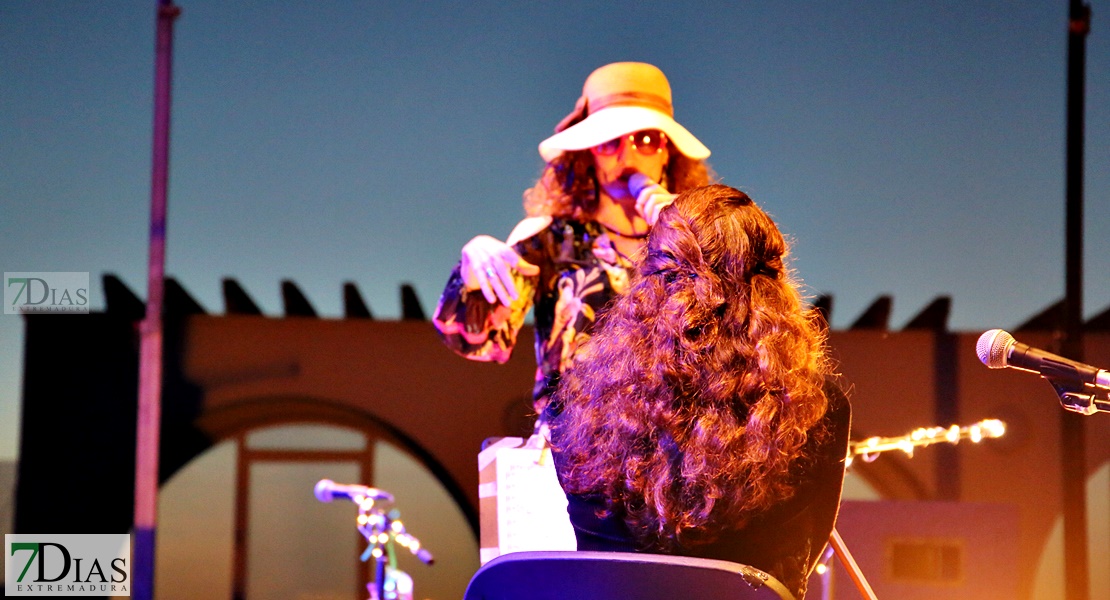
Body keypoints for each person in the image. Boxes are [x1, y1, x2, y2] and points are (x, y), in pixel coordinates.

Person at [549, 184, 851, 599]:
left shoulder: (575, 401)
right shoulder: (817, 406)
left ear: (651, 273)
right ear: (773, 282)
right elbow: (800, 557)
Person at [432, 62, 715, 433]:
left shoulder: (698, 242)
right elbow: (479, 342)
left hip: (679, 459)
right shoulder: (549, 240)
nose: (627, 157)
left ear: (667, 151)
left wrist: (695, 232)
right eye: (609, 141)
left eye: (645, 139)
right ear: (589, 153)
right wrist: (470, 276)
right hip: (574, 459)